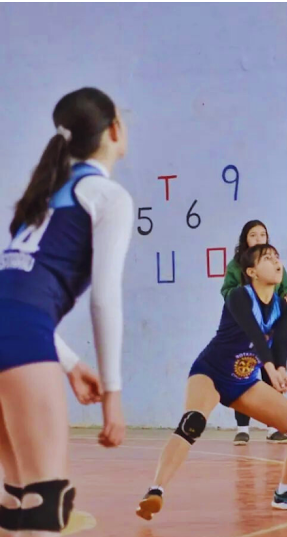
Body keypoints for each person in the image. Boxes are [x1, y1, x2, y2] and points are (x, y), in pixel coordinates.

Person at [0, 88, 133, 535]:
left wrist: (71, 364)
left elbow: (13, 297)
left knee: (18, 500)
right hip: (20, 338)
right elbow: (104, 297)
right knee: (45, 504)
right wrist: (112, 394)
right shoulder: (107, 196)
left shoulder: (40, 199)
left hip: (17, 330)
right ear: (114, 130)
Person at [136, 244, 287, 522]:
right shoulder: (238, 296)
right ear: (252, 272)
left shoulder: (285, 310)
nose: (276, 262)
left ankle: (285, 492)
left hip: (243, 382)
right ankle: (155, 491)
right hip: (210, 371)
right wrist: (269, 367)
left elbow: (281, 341)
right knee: (193, 422)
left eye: (277, 257)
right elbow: (255, 333)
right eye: (266, 258)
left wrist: (281, 369)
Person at [221, 220, 287, 445]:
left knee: (270, 372)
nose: (258, 239)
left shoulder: (273, 263)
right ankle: (242, 428)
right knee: (243, 373)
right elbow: (226, 291)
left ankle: (273, 427)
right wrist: (244, 299)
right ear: (245, 239)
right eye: (253, 235)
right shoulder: (236, 266)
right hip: (243, 330)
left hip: (269, 329)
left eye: (262, 234)